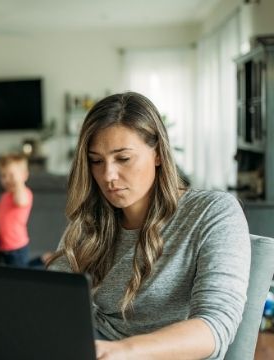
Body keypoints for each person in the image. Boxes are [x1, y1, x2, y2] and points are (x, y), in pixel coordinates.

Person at [47, 92, 250, 360]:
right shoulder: (90, 222)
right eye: (96, 161)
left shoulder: (212, 212)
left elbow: (215, 326)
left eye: (123, 158)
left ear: (157, 154)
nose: (108, 176)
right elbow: (54, 306)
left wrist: (123, 351)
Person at [0, 153, 33, 268]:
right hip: (1, 246)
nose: (6, 180)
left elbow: (20, 201)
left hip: (16, 248)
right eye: (3, 176)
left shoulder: (24, 193)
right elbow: (2, 213)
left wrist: (19, 182)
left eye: (11, 175)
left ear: (24, 176)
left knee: (20, 277)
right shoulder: (6, 195)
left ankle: (42, 260)